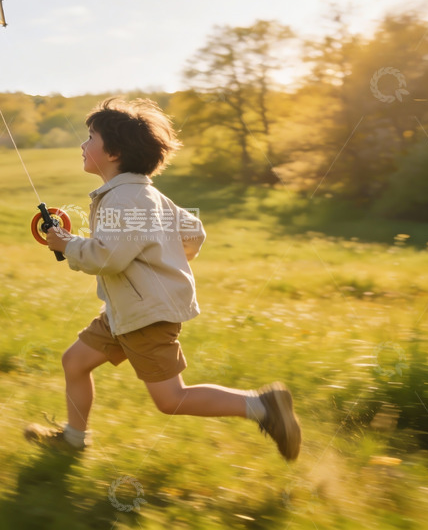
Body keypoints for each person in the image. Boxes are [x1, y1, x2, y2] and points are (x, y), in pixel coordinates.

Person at [24, 97, 301, 461]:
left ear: (114, 152)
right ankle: (74, 439)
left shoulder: (125, 200)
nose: (83, 144)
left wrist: (66, 244)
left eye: (90, 137)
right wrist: (164, 254)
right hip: (127, 311)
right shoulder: (145, 193)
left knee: (171, 399)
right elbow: (194, 232)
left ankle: (263, 406)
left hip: (146, 315)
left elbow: (107, 257)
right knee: (75, 362)